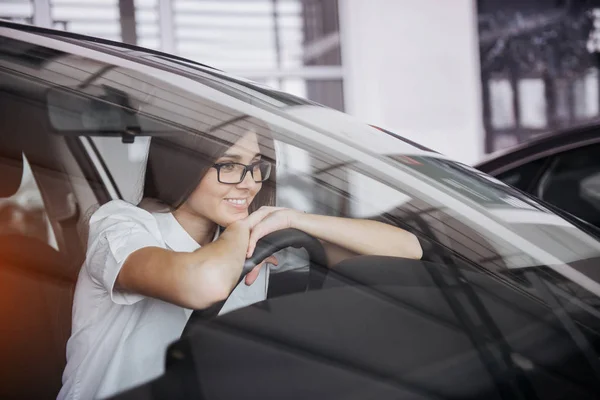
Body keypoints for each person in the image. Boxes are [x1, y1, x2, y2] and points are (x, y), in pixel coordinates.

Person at [58, 117, 422, 400]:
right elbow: (203, 283)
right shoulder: (119, 224)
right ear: (179, 165)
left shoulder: (244, 238)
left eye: (256, 166)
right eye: (229, 165)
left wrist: (297, 219)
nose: (249, 184)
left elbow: (407, 249)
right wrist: (242, 231)